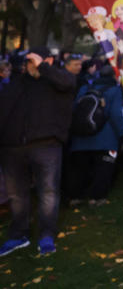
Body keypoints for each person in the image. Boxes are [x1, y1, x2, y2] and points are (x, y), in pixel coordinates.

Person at [0, 48, 77, 256]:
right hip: (13, 147)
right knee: (17, 195)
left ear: (48, 61)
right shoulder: (18, 83)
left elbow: (68, 82)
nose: (30, 66)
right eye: (28, 62)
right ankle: (18, 235)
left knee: (48, 192)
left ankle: (46, 235)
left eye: (34, 62)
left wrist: (43, 67)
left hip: (46, 145)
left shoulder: (58, 82)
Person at [66, 65, 123, 206]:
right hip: (106, 137)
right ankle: (97, 197)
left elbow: (75, 109)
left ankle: (76, 196)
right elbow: (115, 114)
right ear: (114, 76)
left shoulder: (85, 89)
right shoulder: (115, 90)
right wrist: (122, 134)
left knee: (80, 169)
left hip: (80, 136)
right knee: (103, 169)